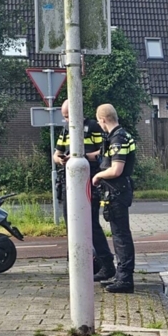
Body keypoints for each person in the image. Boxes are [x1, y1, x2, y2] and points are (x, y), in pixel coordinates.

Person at [53, 102, 116, 282]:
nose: (66, 119)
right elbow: (56, 153)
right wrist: (60, 159)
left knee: (90, 224)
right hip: (68, 181)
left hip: (90, 179)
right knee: (71, 223)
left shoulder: (94, 127)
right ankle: (80, 262)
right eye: (64, 116)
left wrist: (80, 156)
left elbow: (103, 152)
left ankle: (106, 264)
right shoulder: (65, 130)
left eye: (68, 116)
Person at [93, 104, 136, 294]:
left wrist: (98, 176)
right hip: (117, 191)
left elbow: (116, 169)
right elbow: (104, 157)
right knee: (119, 236)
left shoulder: (118, 138)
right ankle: (120, 276)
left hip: (118, 191)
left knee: (121, 237)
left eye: (99, 121)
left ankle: (125, 280)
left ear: (102, 120)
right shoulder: (117, 136)